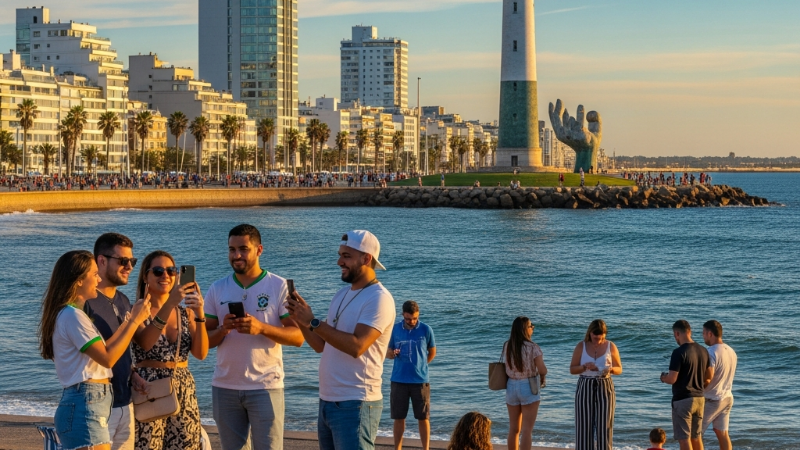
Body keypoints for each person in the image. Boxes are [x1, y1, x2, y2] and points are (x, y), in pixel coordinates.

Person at [287, 230, 396, 450]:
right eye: (340, 254)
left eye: (346, 255)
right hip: (327, 402)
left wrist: (314, 322)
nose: (339, 261)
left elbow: (357, 346)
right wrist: (301, 319)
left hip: (356, 404)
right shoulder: (341, 295)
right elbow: (321, 345)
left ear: (366, 258)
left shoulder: (379, 299)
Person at [203, 224, 304, 450]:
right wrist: (223, 329)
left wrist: (261, 328)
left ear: (259, 250)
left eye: (243, 249)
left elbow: (298, 336)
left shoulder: (279, 286)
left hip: (265, 385)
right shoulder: (217, 288)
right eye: (231, 249)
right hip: (224, 386)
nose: (236, 255)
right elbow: (203, 342)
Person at [39, 250, 150, 450]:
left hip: (89, 400)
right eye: (94, 273)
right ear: (79, 280)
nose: (99, 278)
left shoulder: (72, 314)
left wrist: (130, 320)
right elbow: (107, 358)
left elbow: (106, 348)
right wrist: (135, 321)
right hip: (86, 402)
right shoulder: (72, 316)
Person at [131, 251, 209, 450]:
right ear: (145, 277)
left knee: (186, 445)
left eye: (171, 271)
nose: (165, 276)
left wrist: (200, 314)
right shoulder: (137, 310)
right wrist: (171, 302)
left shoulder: (185, 313)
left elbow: (201, 354)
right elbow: (145, 343)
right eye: (158, 271)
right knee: (148, 445)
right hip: (149, 390)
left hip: (183, 390)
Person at [84, 233, 147, 450]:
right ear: (101, 261)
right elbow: (98, 355)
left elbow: (122, 345)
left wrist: (131, 372)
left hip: (125, 403)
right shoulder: (86, 303)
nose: (129, 266)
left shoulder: (123, 300)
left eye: (132, 261)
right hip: (99, 406)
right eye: (123, 261)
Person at [386, 301, 436, 450]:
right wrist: (393, 353)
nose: (412, 322)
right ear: (403, 315)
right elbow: (387, 353)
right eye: (408, 319)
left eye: (415, 318)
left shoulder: (426, 329)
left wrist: (423, 365)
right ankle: (398, 448)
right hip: (398, 379)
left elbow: (432, 351)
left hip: (420, 381)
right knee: (399, 417)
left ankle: (425, 448)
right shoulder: (395, 330)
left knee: (423, 417)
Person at [569, 319, 623, 450]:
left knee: (605, 425)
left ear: (604, 334)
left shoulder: (611, 346)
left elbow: (619, 369)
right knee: (584, 424)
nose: (597, 340)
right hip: (585, 384)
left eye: (600, 337)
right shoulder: (581, 346)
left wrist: (609, 369)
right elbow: (572, 369)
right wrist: (584, 367)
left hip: (605, 384)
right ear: (590, 333)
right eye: (595, 337)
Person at [660, 320, 711, 450]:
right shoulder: (704, 351)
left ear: (677, 333)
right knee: (696, 437)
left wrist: (663, 378)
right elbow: (709, 376)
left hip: (683, 399)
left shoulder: (678, 352)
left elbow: (672, 378)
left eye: (674, 335)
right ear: (690, 331)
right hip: (699, 398)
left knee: (684, 440)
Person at [502, 317, 547, 450]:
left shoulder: (507, 345)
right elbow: (542, 369)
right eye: (530, 326)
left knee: (514, 429)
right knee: (527, 430)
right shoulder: (533, 347)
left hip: (511, 386)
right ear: (524, 329)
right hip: (528, 386)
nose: (532, 328)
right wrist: (542, 376)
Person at [701, 320, 737, 450]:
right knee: (722, 433)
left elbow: (708, 377)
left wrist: (696, 390)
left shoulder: (710, 352)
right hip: (727, 396)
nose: (703, 336)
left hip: (713, 399)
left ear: (710, 334)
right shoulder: (731, 351)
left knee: (695, 434)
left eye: (704, 333)